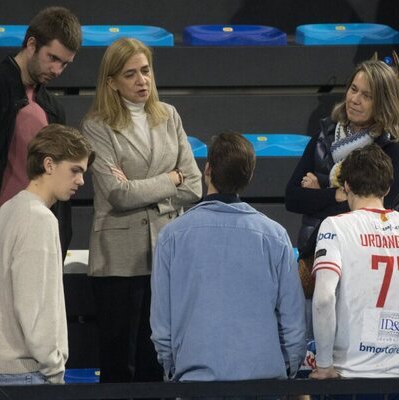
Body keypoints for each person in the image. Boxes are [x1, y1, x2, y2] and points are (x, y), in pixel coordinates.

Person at [82, 38, 202, 383]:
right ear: (112, 82)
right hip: (118, 257)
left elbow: (193, 186)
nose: (142, 81)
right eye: (131, 74)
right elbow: (118, 194)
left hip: (164, 251)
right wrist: (170, 178)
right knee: (120, 361)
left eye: (146, 71)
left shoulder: (169, 117)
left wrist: (146, 188)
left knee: (155, 358)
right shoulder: (96, 125)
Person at [150, 132, 306, 382]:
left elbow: (161, 324)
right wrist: (286, 368)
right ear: (249, 176)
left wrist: (173, 370)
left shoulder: (171, 236)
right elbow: (293, 321)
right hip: (263, 383)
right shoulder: (275, 236)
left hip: (196, 382)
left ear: (207, 169)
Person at [0, 124, 94, 385]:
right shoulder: (38, 219)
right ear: (49, 164)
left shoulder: (8, 209)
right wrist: (54, 370)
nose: (81, 180)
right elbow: (35, 306)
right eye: (75, 170)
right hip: (24, 374)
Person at [285, 60, 399, 261]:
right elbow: (292, 197)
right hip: (314, 253)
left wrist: (318, 192)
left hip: (362, 258)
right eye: (353, 89)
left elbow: (376, 213)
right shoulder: (324, 136)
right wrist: (336, 195)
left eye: (367, 96)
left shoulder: (391, 149)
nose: (355, 99)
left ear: (382, 103)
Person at [310, 144, 399, 380]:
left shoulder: (335, 226)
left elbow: (324, 297)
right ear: (388, 187)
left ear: (346, 186)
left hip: (350, 374)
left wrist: (324, 364)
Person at [0, 6, 82, 259]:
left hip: (34, 237)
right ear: (32, 44)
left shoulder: (53, 109)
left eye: (65, 64)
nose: (57, 70)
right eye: (52, 58)